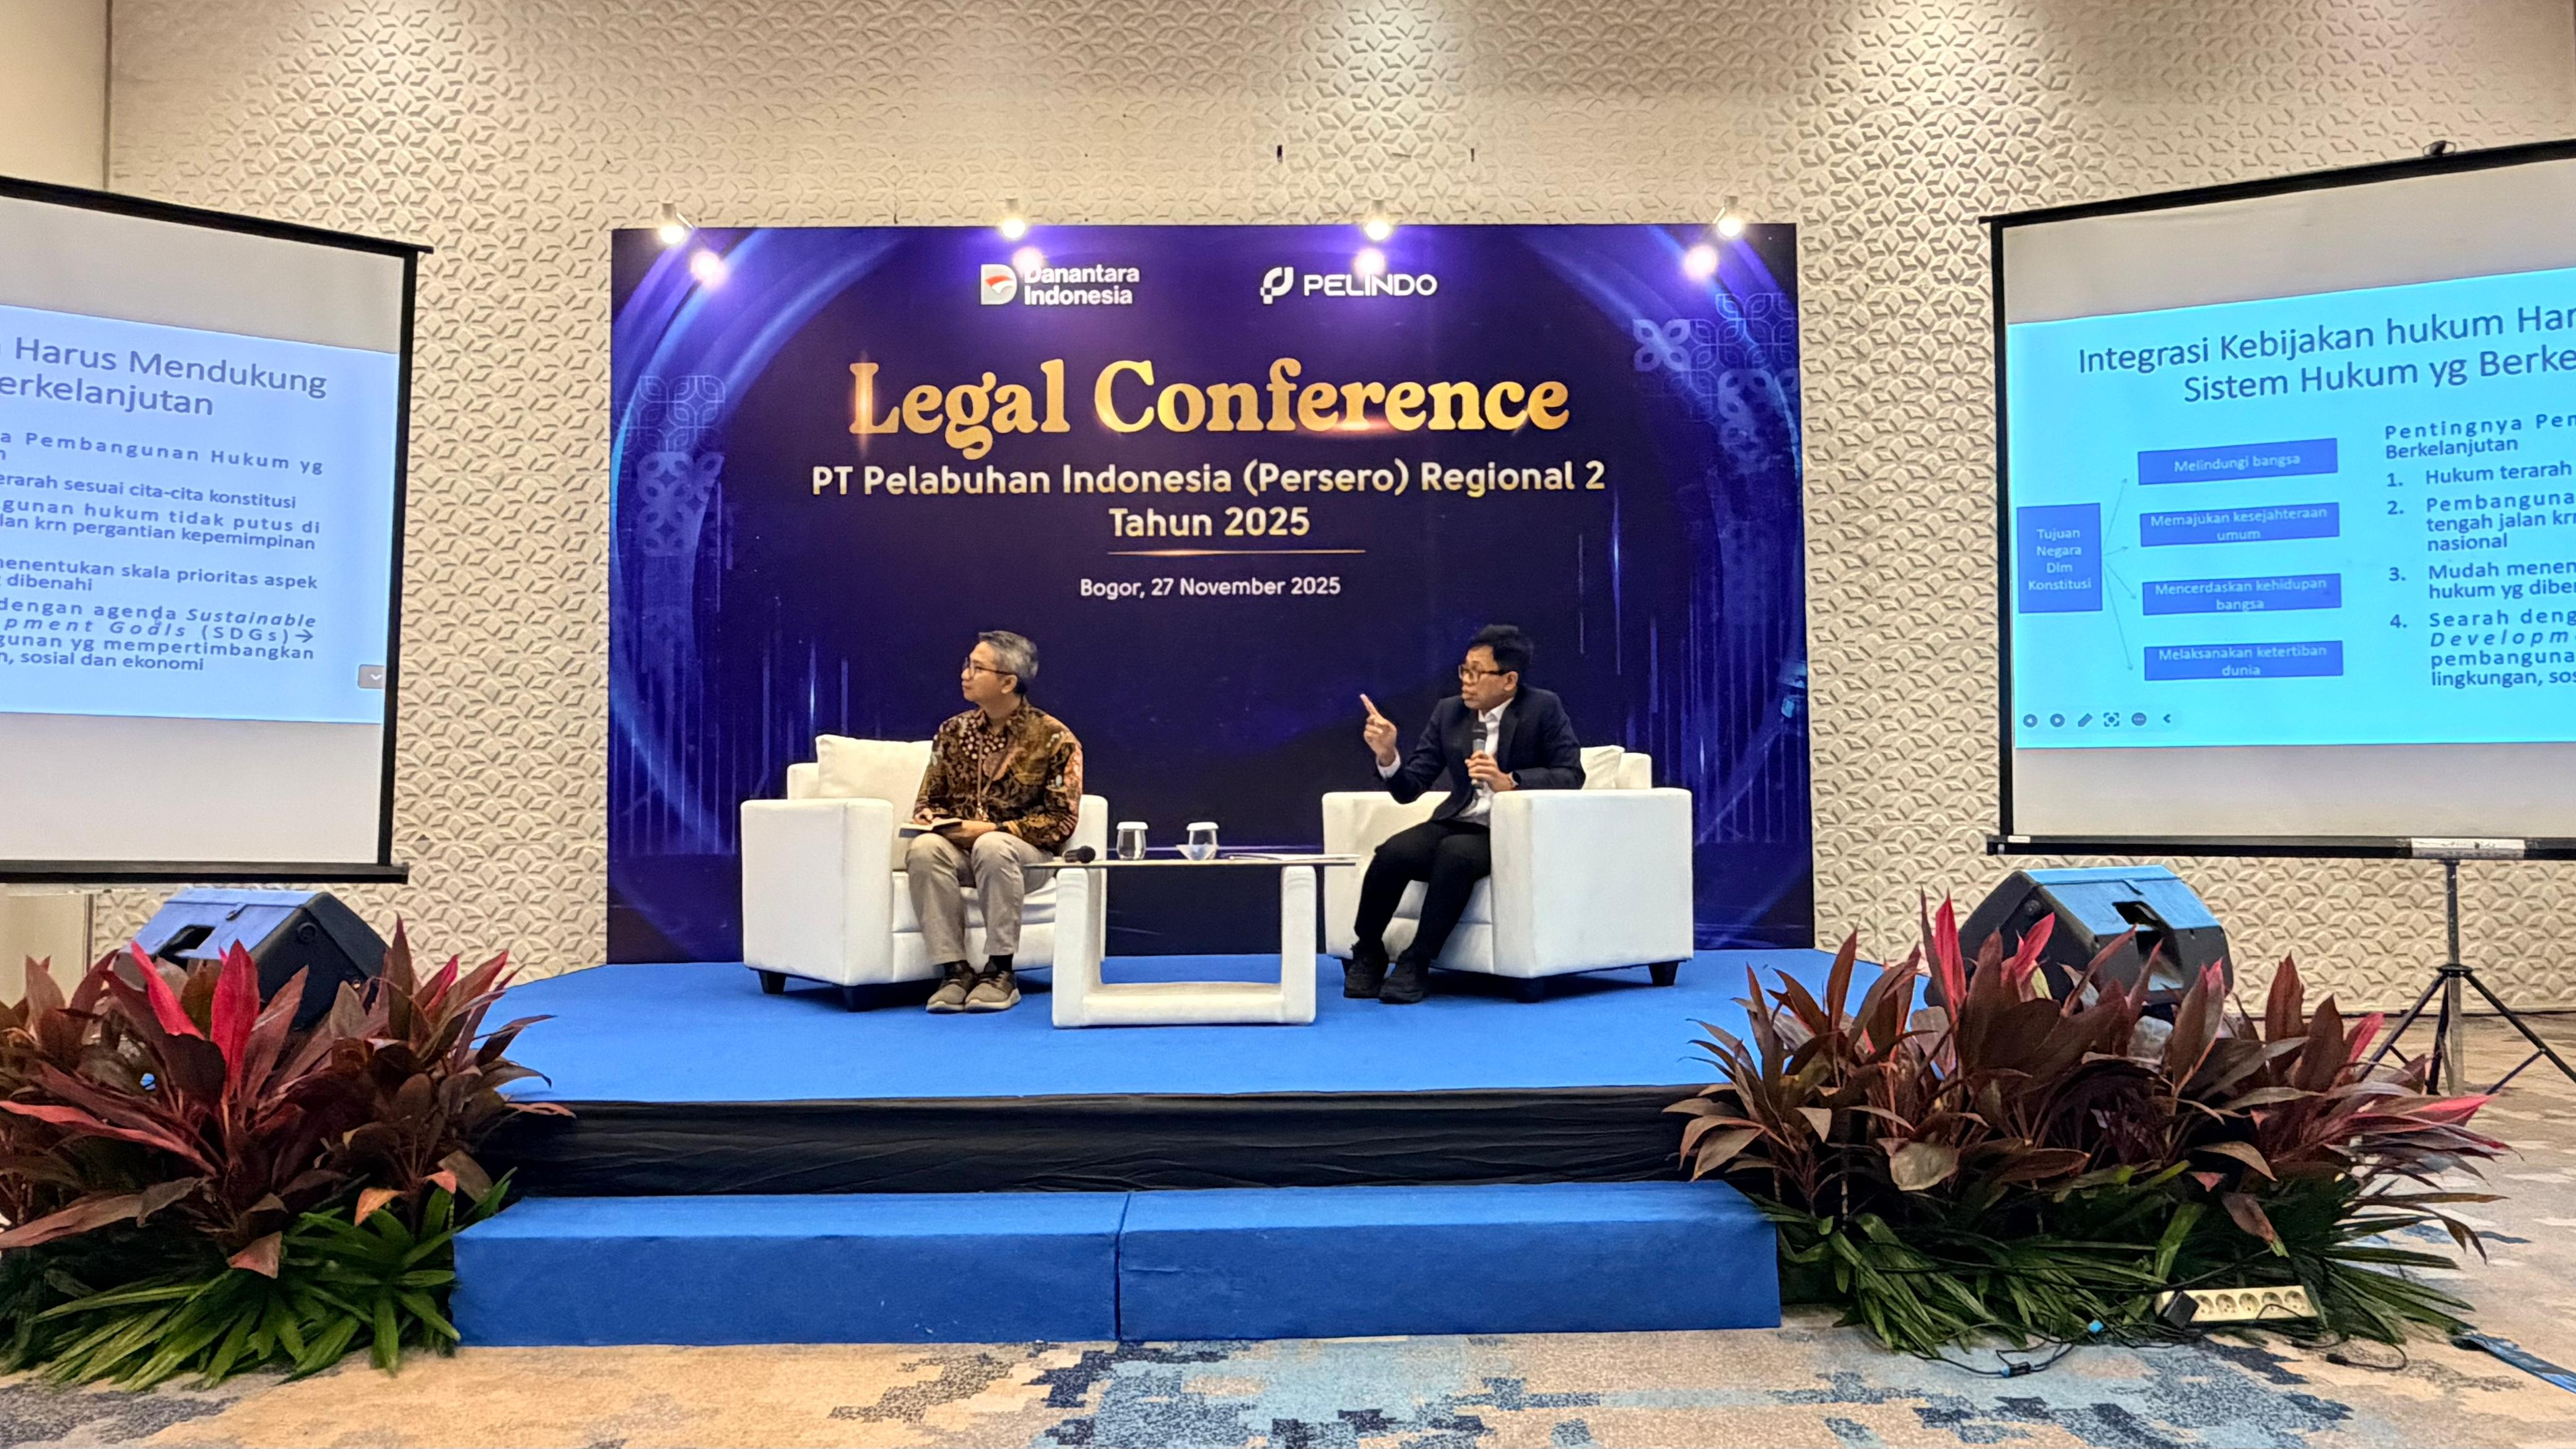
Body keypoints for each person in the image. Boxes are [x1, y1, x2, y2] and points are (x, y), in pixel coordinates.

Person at [1350, 624, 1583, 1004]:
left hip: (1506, 830)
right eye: (1464, 670)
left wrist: (1510, 781)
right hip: (1458, 818)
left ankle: (1417, 961)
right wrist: (1388, 755)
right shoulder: (1450, 712)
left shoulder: (1543, 708)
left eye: (1477, 673)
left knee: (1456, 855)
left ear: (1509, 680)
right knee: (1393, 852)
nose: (1466, 682)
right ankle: (1369, 950)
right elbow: (1410, 788)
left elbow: (1571, 774)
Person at [906, 630, 1084, 1014]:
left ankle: (1000, 971)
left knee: (993, 845)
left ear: (1008, 682)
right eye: (966, 665)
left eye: (977, 667)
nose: (965, 674)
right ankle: (954, 972)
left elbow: (1061, 821)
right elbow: (928, 801)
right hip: (964, 853)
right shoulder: (953, 732)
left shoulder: (1055, 738)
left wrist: (994, 831)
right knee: (924, 848)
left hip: (1026, 859)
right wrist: (934, 821)